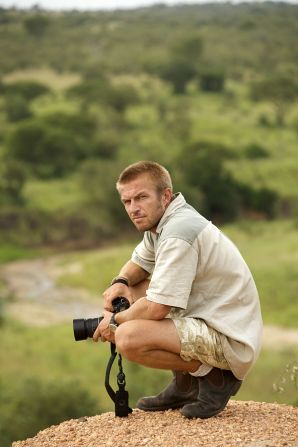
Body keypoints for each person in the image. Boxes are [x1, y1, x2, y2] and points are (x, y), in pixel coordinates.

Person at [93, 160, 263, 419]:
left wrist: (114, 321)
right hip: (209, 318)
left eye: (141, 197)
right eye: (127, 202)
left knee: (128, 337)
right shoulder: (163, 222)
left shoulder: (177, 233)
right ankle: (185, 384)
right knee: (133, 289)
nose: (134, 208)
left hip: (230, 336)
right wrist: (121, 281)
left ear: (166, 195)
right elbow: (139, 263)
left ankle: (217, 378)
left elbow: (157, 308)